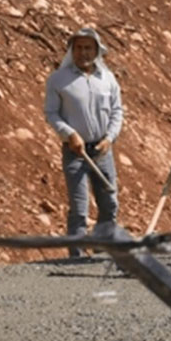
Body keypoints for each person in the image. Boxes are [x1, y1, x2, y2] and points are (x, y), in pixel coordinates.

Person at [43, 27, 124, 258]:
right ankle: (76, 257)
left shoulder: (107, 79)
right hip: (75, 151)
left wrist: (110, 138)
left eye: (88, 48)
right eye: (78, 48)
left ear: (96, 50)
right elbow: (51, 113)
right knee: (79, 209)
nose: (83, 52)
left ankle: (102, 250)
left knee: (109, 203)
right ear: (72, 50)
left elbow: (117, 111)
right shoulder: (59, 79)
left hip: (102, 150)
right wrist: (69, 134)